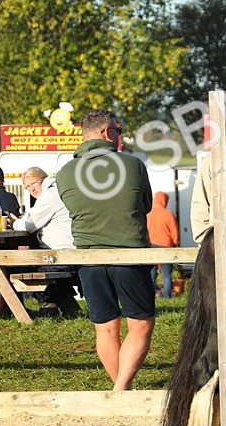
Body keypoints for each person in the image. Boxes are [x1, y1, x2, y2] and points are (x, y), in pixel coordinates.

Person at [57, 109, 155, 391]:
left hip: (88, 257)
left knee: (106, 327)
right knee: (140, 323)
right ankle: (122, 387)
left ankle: (120, 389)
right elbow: (145, 205)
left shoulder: (65, 173)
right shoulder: (132, 165)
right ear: (105, 132)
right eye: (118, 130)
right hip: (129, 254)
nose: (119, 136)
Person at [13, 166, 80, 317]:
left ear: (43, 180)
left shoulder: (50, 195)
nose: (31, 189)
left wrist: (15, 223)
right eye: (27, 187)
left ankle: (47, 308)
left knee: (18, 268)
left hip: (61, 254)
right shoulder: (57, 190)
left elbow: (30, 224)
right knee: (33, 265)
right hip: (67, 251)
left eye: (33, 184)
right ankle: (69, 308)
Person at [146, 191, 179, 298]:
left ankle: (150, 296)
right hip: (166, 247)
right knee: (167, 275)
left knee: (151, 274)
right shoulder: (168, 214)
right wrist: (175, 244)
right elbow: (174, 232)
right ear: (164, 200)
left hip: (151, 246)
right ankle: (166, 296)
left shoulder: (148, 214)